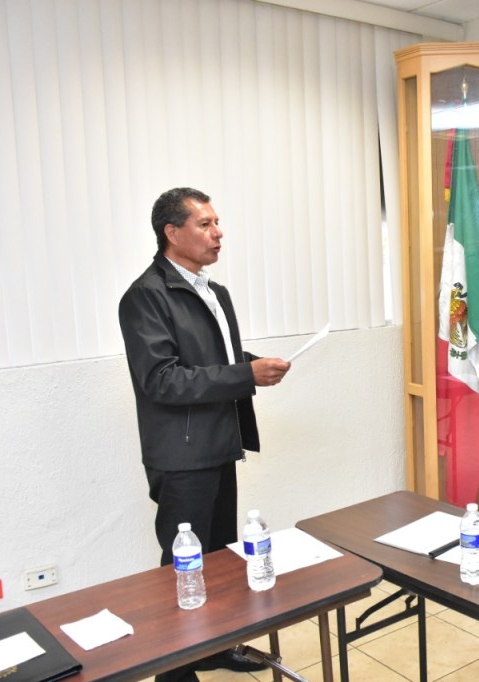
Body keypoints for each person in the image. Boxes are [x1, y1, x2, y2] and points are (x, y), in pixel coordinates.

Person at [119, 188, 290, 679]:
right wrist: (243, 375)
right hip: (181, 455)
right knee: (185, 567)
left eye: (217, 223)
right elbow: (161, 379)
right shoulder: (146, 296)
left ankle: (214, 646)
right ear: (172, 233)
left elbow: (215, 361)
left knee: (218, 559)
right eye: (205, 224)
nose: (218, 233)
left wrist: (253, 365)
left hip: (219, 442)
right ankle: (174, 672)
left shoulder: (215, 292)